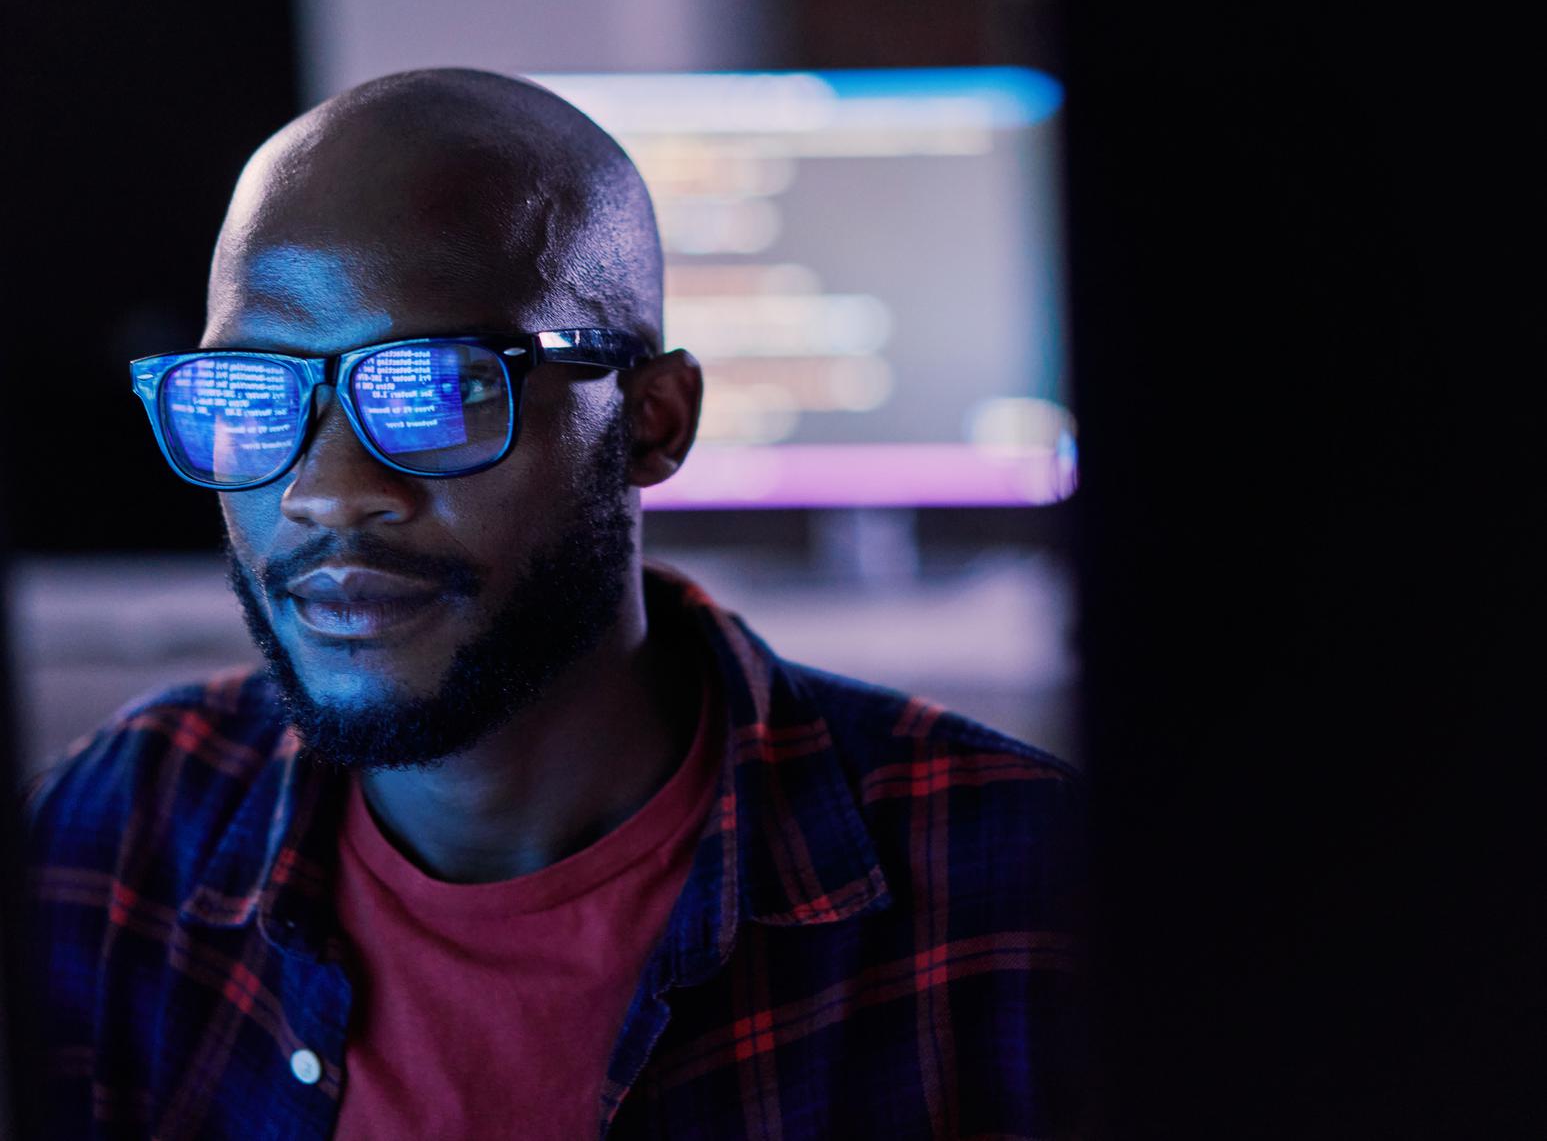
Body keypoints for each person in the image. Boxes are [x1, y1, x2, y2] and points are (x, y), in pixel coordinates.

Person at [25, 69, 1082, 1139]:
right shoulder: (113, 838)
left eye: (440, 386)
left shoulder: (1020, 890)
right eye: (248, 394)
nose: (327, 489)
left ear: (653, 421)